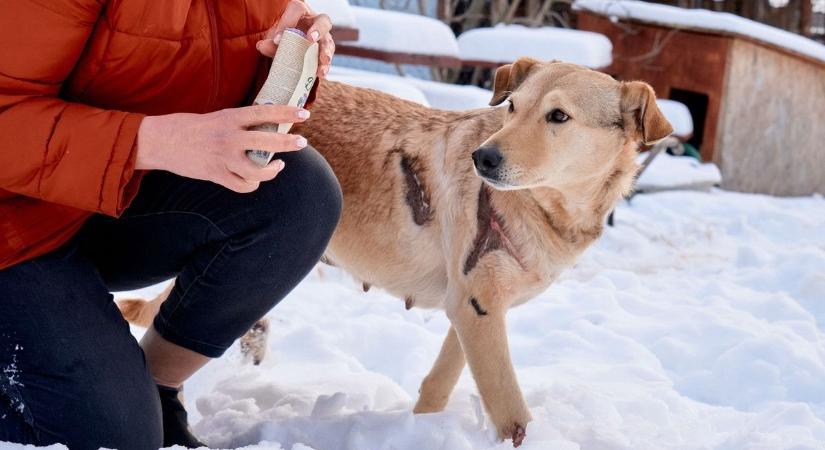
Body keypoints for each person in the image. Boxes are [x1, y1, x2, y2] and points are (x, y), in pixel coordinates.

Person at [0, 1, 341, 449]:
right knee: (112, 440)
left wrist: (288, 58)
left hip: (90, 196)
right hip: (13, 230)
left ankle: (156, 389)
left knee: (298, 195)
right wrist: (157, 141)